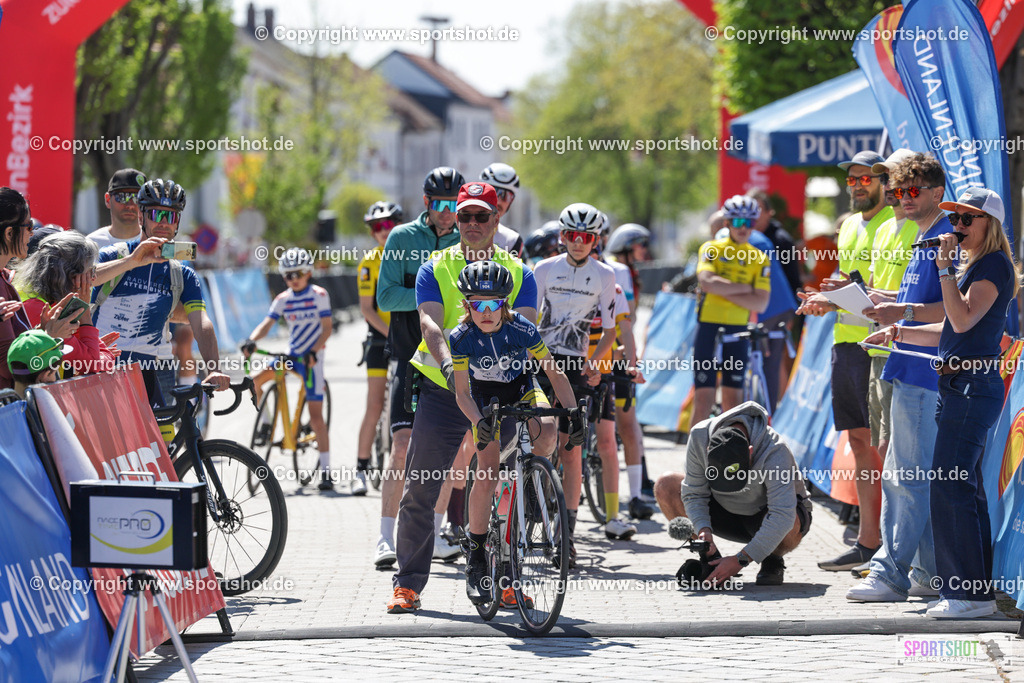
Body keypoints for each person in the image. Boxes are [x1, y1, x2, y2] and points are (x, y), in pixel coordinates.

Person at [386, 181, 541, 614]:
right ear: (455, 217)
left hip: (497, 389)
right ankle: (408, 583)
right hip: (442, 385)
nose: (472, 224)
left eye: (482, 216)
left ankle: (506, 578)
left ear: (497, 219)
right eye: (465, 215)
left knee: (505, 484)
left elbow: (525, 330)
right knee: (422, 485)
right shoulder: (434, 267)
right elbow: (430, 326)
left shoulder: (519, 273)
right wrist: (454, 367)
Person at [864, 187, 1018, 618]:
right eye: (954, 219)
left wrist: (946, 270)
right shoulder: (976, 267)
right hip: (958, 386)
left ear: (990, 225)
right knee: (960, 489)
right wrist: (899, 332)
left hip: (972, 388)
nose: (958, 227)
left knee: (952, 487)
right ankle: (970, 590)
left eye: (968, 219)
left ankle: (969, 595)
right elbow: (953, 328)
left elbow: (964, 317)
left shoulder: (992, 265)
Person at [845, 153, 949, 600]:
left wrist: (899, 314)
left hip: (925, 373)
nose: (904, 199)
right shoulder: (926, 234)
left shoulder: (944, 236)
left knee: (904, 476)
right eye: (899, 192)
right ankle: (927, 573)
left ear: (938, 193)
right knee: (910, 474)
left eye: (913, 191)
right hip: (906, 365)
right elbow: (910, 299)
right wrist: (863, 300)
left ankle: (890, 574)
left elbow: (951, 312)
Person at [449, 261, 581, 606]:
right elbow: (462, 394)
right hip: (482, 396)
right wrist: (480, 422)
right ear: (467, 305)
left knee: (548, 432)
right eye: (478, 304)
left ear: (505, 304)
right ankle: (477, 551)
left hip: (522, 386)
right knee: (488, 468)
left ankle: (531, 483)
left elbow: (555, 374)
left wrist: (575, 414)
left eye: (494, 304)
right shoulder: (461, 338)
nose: (487, 312)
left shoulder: (522, 328)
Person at [797, 150, 892, 571]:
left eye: (864, 179)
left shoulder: (900, 223)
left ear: (883, 183)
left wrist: (834, 297)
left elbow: (885, 289)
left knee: (884, 447)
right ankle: (867, 542)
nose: (856, 186)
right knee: (858, 444)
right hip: (846, 343)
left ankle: (893, 545)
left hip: (883, 346)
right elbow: (851, 283)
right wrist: (828, 296)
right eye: (851, 180)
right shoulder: (849, 225)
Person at [375, 166, 465, 568]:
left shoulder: (468, 239)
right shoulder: (401, 238)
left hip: (451, 359)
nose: (448, 213)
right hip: (410, 358)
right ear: (426, 203)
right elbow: (386, 297)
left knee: (452, 450)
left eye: (454, 204)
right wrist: (430, 294)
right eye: (440, 204)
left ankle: (435, 530)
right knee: (400, 447)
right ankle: (384, 537)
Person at [90, 178, 230, 412]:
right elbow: (85, 279)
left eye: (172, 216)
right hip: (103, 368)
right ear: (141, 217)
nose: (164, 223)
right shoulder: (112, 255)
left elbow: (201, 321)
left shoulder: (182, 274)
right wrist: (131, 261)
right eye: (156, 214)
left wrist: (214, 367)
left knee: (160, 447)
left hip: (154, 373)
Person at [534, 202, 618, 557]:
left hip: (574, 365)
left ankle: (566, 533)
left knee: (572, 450)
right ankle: (529, 499)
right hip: (540, 360)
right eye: (572, 236)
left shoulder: (606, 275)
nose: (579, 242)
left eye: (586, 237)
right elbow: (527, 318)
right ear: (562, 237)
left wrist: (596, 363)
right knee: (538, 435)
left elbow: (611, 331)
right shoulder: (542, 269)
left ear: (596, 239)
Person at [654, 402, 812, 586]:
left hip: (764, 518)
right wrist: (702, 529)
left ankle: (771, 557)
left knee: (790, 519)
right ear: (708, 452)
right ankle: (713, 560)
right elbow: (694, 494)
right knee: (666, 485)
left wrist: (741, 560)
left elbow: (782, 515)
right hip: (725, 512)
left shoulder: (775, 450)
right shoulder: (699, 436)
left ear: (750, 452)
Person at [243, 248, 333, 489]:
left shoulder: (319, 294)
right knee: (254, 381)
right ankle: (266, 423)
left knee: (316, 417)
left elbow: (327, 328)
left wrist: (314, 351)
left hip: (312, 359)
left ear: (309, 273)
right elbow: (267, 324)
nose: (294, 279)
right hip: (291, 356)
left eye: (299, 274)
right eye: (288, 275)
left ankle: (326, 472)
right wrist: (252, 341)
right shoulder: (283, 299)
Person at [690, 195, 770, 432]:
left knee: (732, 403)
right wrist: (746, 289)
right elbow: (706, 282)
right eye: (737, 223)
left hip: (738, 331)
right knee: (703, 399)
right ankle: (694, 461)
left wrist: (721, 287)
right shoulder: (711, 248)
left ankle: (727, 458)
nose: (743, 228)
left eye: (749, 223)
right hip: (708, 328)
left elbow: (761, 303)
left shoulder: (759, 258)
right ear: (727, 224)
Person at [0, 187, 78, 390]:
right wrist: (49, 335)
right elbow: (12, 366)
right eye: (28, 226)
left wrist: (42, 332)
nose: (32, 233)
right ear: (9, 233)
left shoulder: (4, 277)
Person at [14, 231, 119, 377]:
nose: (94, 278)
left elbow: (102, 361)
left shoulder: (48, 300)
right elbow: (95, 365)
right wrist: (85, 310)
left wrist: (94, 348)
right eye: (91, 271)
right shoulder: (41, 309)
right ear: (68, 274)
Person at [354, 200, 402, 496]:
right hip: (380, 339)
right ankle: (359, 470)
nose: (383, 231)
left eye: (389, 224)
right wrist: (392, 333)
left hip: (407, 339)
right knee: (374, 405)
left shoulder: (412, 256)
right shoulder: (368, 263)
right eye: (376, 227)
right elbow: (367, 309)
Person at [89, 168, 146, 249]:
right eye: (122, 197)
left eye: (137, 198)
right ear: (108, 200)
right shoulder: (92, 245)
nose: (130, 205)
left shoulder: (155, 243)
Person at [480, 162, 524, 257]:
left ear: (511, 201)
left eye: (506, 196)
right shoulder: (460, 231)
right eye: (494, 193)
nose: (498, 201)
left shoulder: (512, 240)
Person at [8, 330, 71, 395]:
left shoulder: (5, 403)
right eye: (55, 372)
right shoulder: (47, 404)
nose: (55, 378)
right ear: (46, 375)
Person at [606, 223, 651, 298]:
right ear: (628, 245)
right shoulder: (610, 266)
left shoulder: (632, 270)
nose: (645, 249)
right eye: (643, 244)